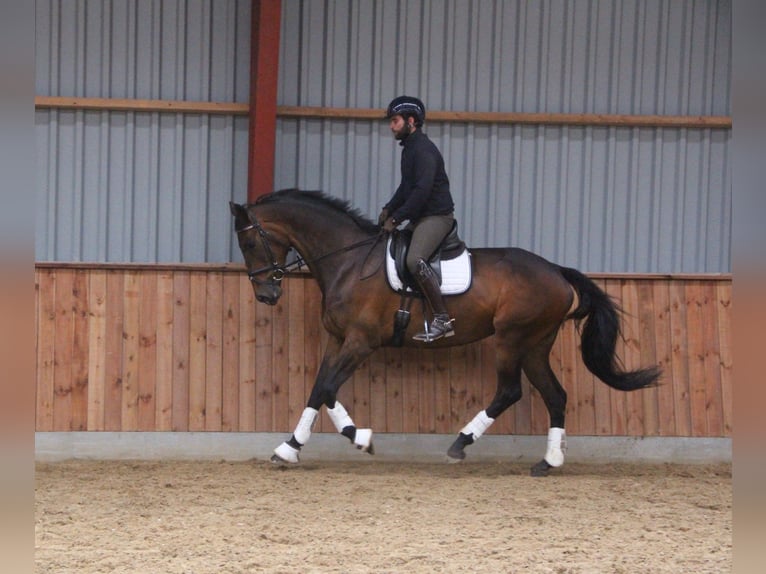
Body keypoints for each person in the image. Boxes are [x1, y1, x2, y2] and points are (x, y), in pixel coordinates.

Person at [379, 95, 457, 342]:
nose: (392, 126)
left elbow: (421, 192)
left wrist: (399, 217)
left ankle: (442, 319)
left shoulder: (423, 150)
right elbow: (406, 187)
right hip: (422, 216)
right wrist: (389, 209)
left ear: (410, 121)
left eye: (395, 121)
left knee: (414, 259)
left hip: (436, 217)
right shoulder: (410, 149)